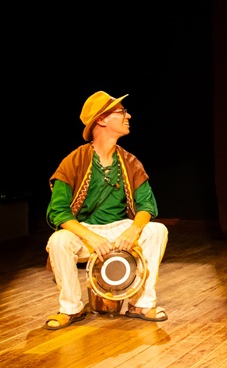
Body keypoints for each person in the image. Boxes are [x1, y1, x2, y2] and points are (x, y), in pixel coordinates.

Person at [44, 91, 169, 330]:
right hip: (85, 233)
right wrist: (91, 237)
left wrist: (133, 230)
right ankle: (70, 308)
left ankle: (141, 304)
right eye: (122, 112)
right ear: (101, 120)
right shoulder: (74, 161)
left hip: (120, 229)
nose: (128, 116)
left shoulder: (130, 162)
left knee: (157, 230)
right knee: (59, 241)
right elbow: (58, 212)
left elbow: (146, 205)